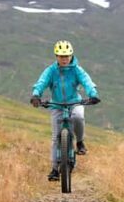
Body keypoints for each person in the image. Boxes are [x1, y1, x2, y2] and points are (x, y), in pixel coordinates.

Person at [30, 40, 100, 181]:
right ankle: (55, 169)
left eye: (67, 56)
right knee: (56, 137)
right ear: (56, 56)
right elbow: (41, 82)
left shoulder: (76, 70)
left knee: (79, 117)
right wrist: (36, 95)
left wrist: (93, 94)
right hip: (57, 105)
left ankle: (79, 142)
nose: (64, 59)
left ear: (71, 55)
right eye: (61, 56)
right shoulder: (51, 71)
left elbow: (86, 81)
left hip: (75, 102)